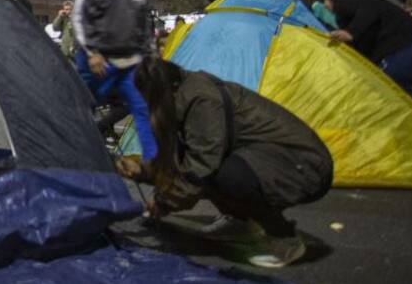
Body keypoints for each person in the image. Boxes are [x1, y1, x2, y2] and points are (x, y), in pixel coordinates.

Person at [121, 58, 332, 269]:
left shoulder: (201, 100)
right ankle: (240, 222)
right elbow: (179, 160)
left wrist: (164, 201)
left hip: (305, 166)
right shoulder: (180, 98)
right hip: (272, 158)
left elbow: (200, 166)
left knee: (227, 175)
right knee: (215, 168)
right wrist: (142, 170)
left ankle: (284, 238)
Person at [72, 0, 156, 160]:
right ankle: (76, 155)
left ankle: (154, 163)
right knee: (81, 108)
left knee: (141, 108)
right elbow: (79, 17)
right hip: (98, 62)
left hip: (130, 64)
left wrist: (149, 54)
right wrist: (92, 52)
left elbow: (144, 25)